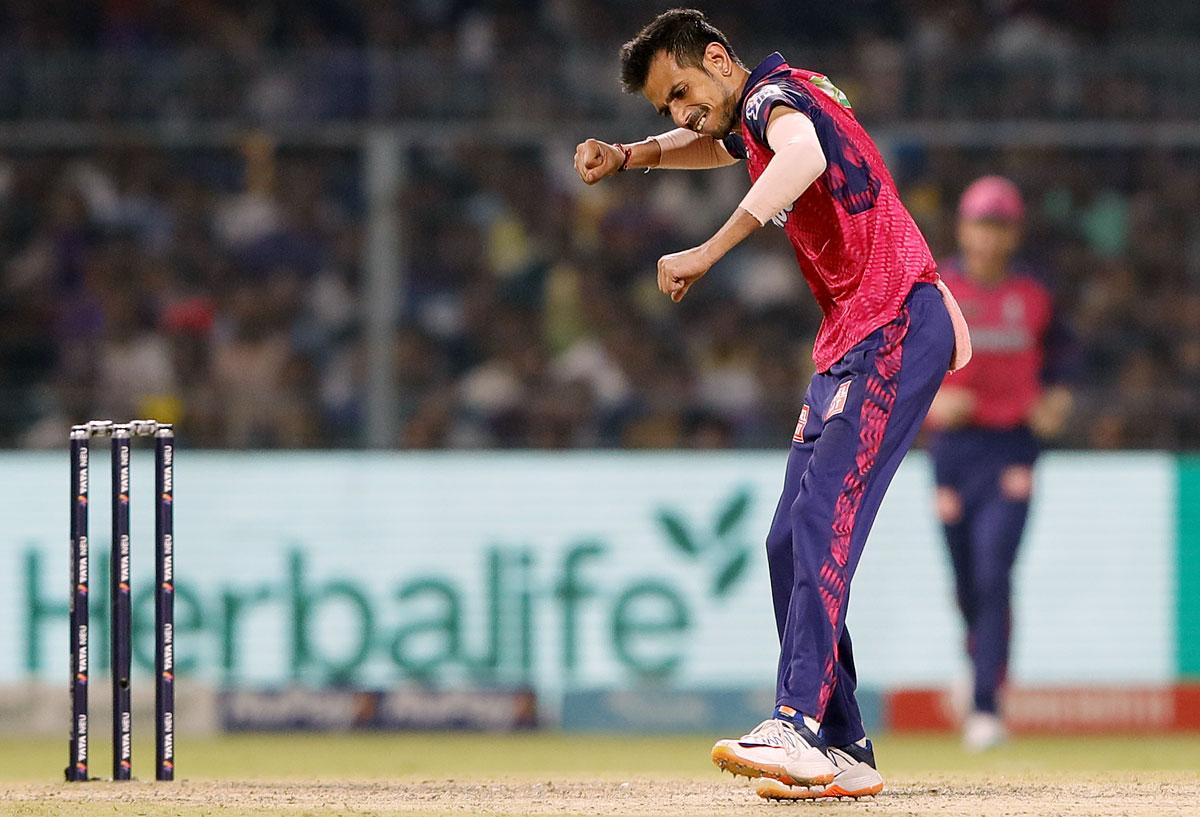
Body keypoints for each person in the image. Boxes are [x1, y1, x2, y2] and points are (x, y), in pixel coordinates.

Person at [574, 8, 971, 801]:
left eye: (683, 90)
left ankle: (793, 721)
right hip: (851, 336)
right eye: (666, 108)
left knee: (823, 519)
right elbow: (720, 143)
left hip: (891, 316)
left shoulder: (769, 101)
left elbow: (800, 154)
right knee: (788, 539)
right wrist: (631, 156)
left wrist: (708, 249)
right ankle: (844, 742)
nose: (681, 113)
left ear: (721, 59)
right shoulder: (764, 102)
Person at [925, 176, 1073, 751]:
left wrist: (1056, 399)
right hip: (953, 453)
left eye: (999, 227)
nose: (987, 238)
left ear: (1012, 234)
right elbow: (903, 360)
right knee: (964, 580)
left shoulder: (1035, 294)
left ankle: (986, 705)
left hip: (1012, 448)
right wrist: (935, 402)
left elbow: (1065, 358)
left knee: (993, 573)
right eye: (979, 225)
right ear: (963, 229)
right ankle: (978, 661)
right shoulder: (937, 290)